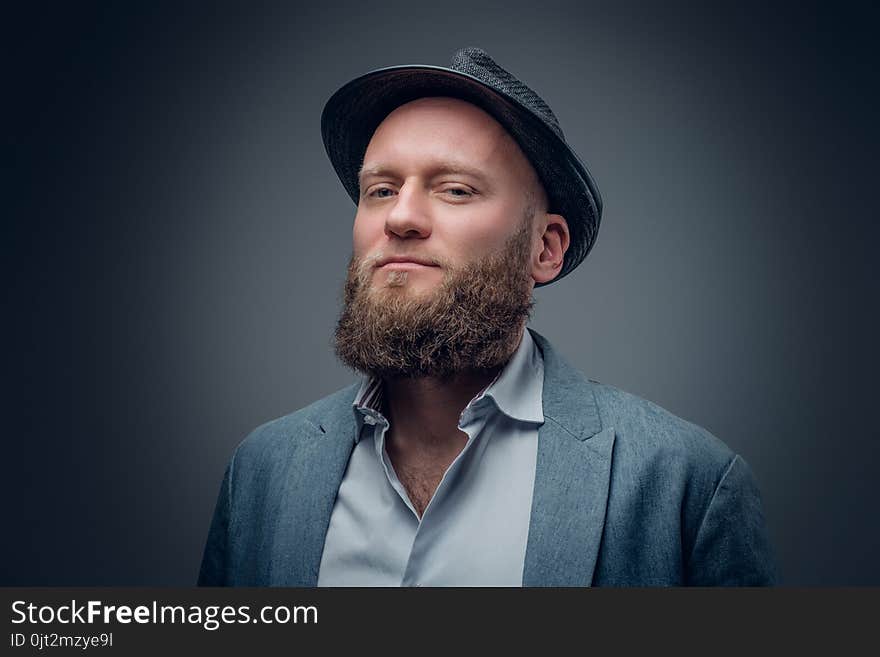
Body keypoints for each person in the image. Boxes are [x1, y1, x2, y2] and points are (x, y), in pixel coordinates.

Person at [198, 47, 778, 586]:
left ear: (544, 249)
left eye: (453, 189)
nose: (400, 217)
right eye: (379, 189)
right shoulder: (262, 470)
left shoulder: (688, 483)